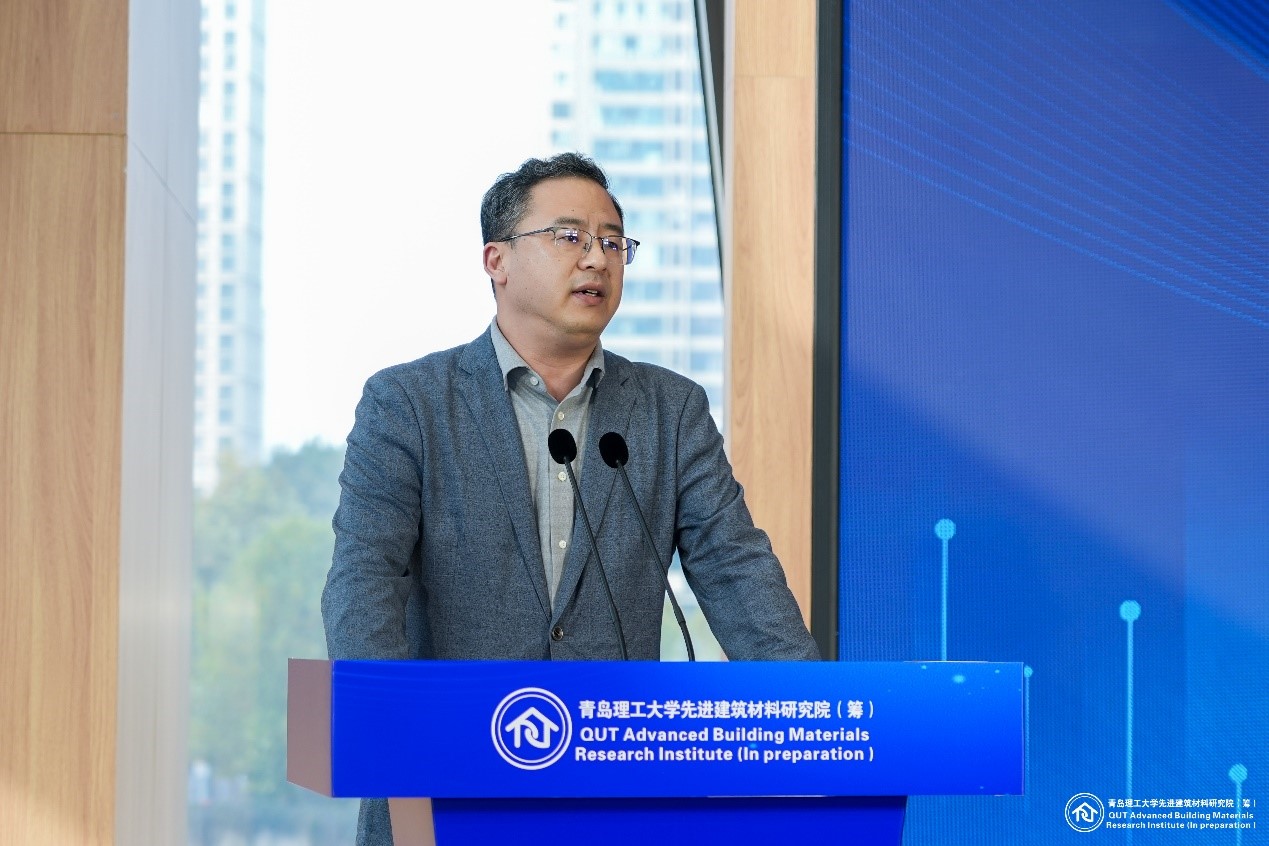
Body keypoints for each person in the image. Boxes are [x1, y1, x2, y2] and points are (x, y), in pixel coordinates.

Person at [321, 152, 819, 844]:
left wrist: (811, 715)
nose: (596, 259)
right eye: (569, 237)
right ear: (496, 260)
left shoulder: (669, 410)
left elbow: (737, 571)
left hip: (616, 797)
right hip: (445, 791)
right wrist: (391, 724)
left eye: (612, 242)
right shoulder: (409, 403)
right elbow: (365, 578)